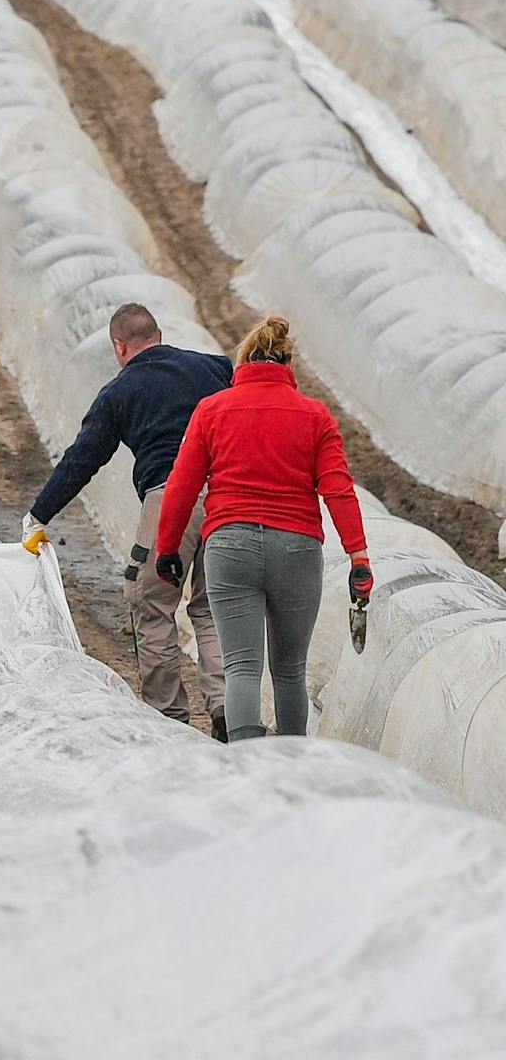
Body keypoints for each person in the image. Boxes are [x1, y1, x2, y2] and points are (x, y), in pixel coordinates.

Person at [154, 315, 371, 742]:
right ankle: (291, 769)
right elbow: (338, 489)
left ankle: (246, 771)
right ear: (288, 365)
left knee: (241, 668)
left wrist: (167, 550)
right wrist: (358, 556)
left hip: (229, 547)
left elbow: (181, 484)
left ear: (242, 363)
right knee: (290, 671)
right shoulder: (314, 416)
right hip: (296, 548)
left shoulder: (212, 410)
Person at [22, 303, 232, 736]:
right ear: (160, 334)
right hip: (229, 497)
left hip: (170, 498)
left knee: (152, 604)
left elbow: (82, 460)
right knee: (213, 607)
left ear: (119, 346)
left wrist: (39, 513)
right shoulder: (214, 368)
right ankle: (228, 708)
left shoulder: (120, 391)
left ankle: (167, 718)